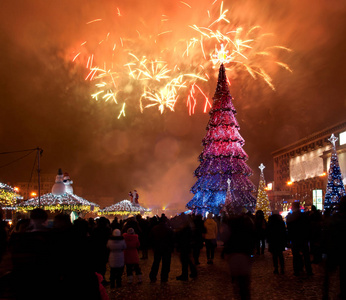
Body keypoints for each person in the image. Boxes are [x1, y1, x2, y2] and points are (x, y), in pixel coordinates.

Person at [222, 213, 255, 300]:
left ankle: (239, 294)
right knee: (245, 280)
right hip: (245, 252)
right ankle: (245, 296)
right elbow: (253, 237)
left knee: (236, 280)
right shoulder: (248, 222)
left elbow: (225, 238)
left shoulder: (230, 222)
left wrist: (226, 252)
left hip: (234, 252)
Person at [286, 201, 313, 276]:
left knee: (296, 255)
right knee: (306, 255)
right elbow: (308, 227)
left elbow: (289, 229)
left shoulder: (290, 217)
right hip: (303, 237)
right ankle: (308, 270)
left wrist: (289, 239)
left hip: (295, 238)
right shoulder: (304, 216)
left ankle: (297, 270)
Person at [149, 214, 174, 283]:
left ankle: (153, 276)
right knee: (166, 264)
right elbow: (172, 240)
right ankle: (164, 277)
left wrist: (153, 247)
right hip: (166, 249)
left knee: (156, 262)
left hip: (157, 248)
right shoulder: (169, 229)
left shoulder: (155, 228)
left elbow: (151, 239)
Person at [174, 214, 197, 281]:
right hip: (186, 246)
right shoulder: (188, 226)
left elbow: (183, 237)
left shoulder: (185, 227)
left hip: (184, 246)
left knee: (185, 261)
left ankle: (185, 275)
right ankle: (192, 273)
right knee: (187, 260)